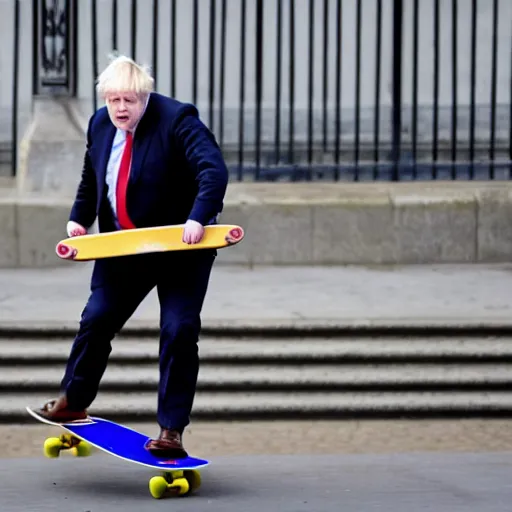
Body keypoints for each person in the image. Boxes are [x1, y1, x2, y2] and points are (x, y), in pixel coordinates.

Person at [34, 55, 229, 458]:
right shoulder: (100, 124)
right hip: (124, 246)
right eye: (113, 99)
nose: (121, 108)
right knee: (97, 317)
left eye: (130, 100)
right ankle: (73, 400)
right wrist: (79, 219)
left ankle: (170, 431)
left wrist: (197, 217)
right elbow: (93, 175)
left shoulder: (178, 119)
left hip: (182, 247)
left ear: (145, 95)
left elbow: (213, 171)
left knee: (178, 330)